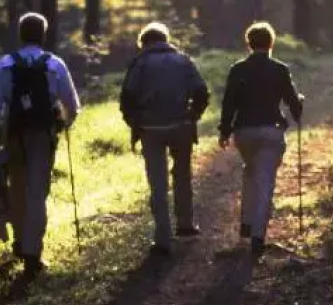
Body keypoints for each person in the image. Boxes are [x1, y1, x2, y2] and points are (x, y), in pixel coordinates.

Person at [0, 12, 80, 275]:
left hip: (13, 134)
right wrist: (61, 125)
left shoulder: (6, 64)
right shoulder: (55, 64)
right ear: (43, 34)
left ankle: (20, 242)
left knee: (17, 189)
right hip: (43, 136)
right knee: (38, 193)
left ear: (21, 34)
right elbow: (73, 105)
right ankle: (33, 254)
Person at [120, 22, 209, 256]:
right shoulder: (184, 61)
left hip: (151, 128)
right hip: (181, 125)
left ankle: (162, 237)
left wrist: (135, 123)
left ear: (144, 42)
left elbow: (127, 99)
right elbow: (202, 92)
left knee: (157, 182)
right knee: (182, 175)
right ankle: (186, 225)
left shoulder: (139, 64)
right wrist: (193, 116)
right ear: (165, 39)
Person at [218, 21, 303, 256]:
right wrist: (298, 111)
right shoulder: (279, 69)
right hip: (271, 130)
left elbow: (228, 103)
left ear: (249, 44)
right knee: (265, 180)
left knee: (250, 172)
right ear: (271, 43)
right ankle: (258, 235)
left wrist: (225, 130)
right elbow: (292, 101)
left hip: (244, 131)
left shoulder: (238, 69)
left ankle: (246, 224)